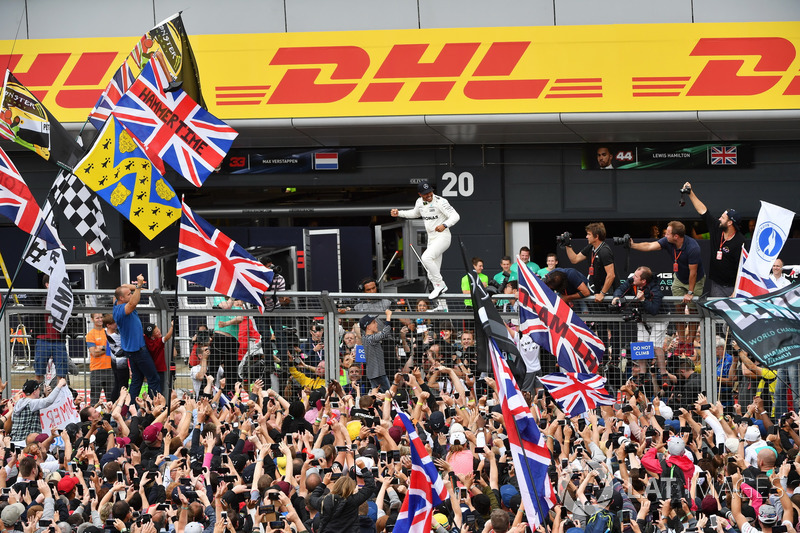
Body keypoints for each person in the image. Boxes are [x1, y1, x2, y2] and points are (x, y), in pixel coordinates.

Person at [630, 221, 706, 346]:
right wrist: (633, 245)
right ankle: (681, 341)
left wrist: (690, 292)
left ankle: (689, 343)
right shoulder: (667, 241)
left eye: (668, 233)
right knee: (678, 309)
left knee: (693, 312)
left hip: (695, 280)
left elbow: (693, 273)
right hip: (679, 278)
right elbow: (649, 246)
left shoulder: (693, 248)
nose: (665, 235)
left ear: (676, 236)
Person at [391, 181, 460, 299]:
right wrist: (399, 213)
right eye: (425, 194)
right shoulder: (419, 202)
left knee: (426, 258)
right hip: (431, 239)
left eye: (430, 192)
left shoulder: (440, 201)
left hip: (443, 237)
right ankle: (442, 307)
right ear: (420, 194)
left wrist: (445, 225)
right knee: (431, 273)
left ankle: (441, 285)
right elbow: (414, 213)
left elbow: (455, 216)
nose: (428, 195)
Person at [682, 181, 745, 296]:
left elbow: (743, 269)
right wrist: (690, 193)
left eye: (723, 217)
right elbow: (703, 211)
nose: (719, 219)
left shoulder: (740, 241)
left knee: (732, 314)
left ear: (730, 223)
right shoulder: (717, 228)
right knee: (716, 313)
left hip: (733, 287)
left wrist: (736, 291)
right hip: (717, 284)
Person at [113, 274, 161, 400]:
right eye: (129, 294)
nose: (131, 294)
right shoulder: (123, 309)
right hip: (137, 351)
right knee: (153, 378)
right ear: (122, 298)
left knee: (137, 380)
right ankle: (155, 406)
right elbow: (133, 303)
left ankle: (131, 407)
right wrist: (139, 286)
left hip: (133, 351)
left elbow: (123, 287)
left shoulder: (117, 301)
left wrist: (136, 288)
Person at [611, 266, 666, 371]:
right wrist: (616, 297)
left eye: (636, 276)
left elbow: (654, 310)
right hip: (642, 317)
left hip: (659, 318)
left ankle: (663, 373)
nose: (633, 277)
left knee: (655, 346)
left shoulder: (655, 288)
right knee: (640, 344)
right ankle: (642, 373)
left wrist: (643, 300)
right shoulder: (632, 281)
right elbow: (620, 289)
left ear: (643, 281)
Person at [563, 222, 619, 302]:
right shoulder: (590, 247)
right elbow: (574, 259)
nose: (586, 237)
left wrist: (602, 293)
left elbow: (611, 275)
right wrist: (567, 244)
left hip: (608, 292)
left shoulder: (605, 251)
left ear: (596, 237)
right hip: (596, 289)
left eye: (589, 234)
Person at [33, 274, 69, 386]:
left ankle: (60, 398)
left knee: (62, 373)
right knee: (39, 371)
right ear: (47, 285)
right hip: (43, 339)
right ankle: (39, 396)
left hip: (59, 339)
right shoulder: (39, 298)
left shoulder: (64, 298)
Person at [10, 378, 68, 444]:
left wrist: (44, 395)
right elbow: (48, 401)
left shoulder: (18, 403)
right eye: (39, 389)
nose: (39, 391)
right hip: (26, 443)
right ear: (35, 391)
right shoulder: (31, 403)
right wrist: (60, 384)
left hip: (14, 441)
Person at [359, 309, 393, 391]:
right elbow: (385, 333)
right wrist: (388, 316)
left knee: (377, 397)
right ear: (368, 327)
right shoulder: (371, 339)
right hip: (378, 374)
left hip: (373, 373)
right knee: (387, 396)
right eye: (374, 322)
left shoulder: (365, 338)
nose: (376, 324)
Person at [85, 312, 114, 405]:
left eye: (101, 317)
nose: (100, 319)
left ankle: (112, 418)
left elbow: (113, 348)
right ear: (92, 319)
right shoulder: (90, 334)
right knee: (95, 399)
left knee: (111, 398)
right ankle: (92, 418)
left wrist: (100, 347)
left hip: (110, 368)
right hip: (96, 370)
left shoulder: (108, 331)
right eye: (97, 318)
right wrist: (107, 347)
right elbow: (94, 353)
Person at [143, 320, 175, 396]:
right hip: (160, 369)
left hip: (150, 368)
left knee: (151, 386)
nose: (159, 332)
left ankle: (151, 401)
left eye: (158, 330)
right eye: (156, 332)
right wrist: (172, 327)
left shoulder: (146, 339)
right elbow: (167, 337)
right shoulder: (159, 342)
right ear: (152, 336)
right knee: (160, 387)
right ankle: (159, 402)